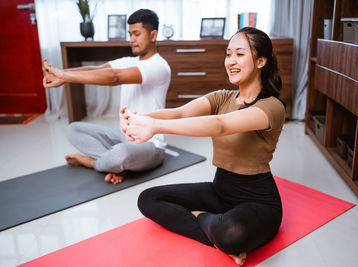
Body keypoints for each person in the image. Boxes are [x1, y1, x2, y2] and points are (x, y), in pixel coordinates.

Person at [120, 27, 285, 265]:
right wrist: (138, 118)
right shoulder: (222, 97)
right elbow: (179, 114)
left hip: (258, 201)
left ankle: (206, 221)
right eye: (228, 54)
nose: (231, 61)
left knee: (232, 232)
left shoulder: (271, 107)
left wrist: (154, 127)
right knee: (148, 199)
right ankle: (217, 233)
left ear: (260, 61)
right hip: (221, 190)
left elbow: (220, 125)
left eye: (240, 54)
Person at [42, 9, 171, 184]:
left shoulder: (159, 67)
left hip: (151, 146)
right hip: (123, 137)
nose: (131, 39)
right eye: (130, 34)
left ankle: (93, 162)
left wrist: (65, 77)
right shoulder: (128, 61)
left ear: (153, 35)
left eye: (137, 34)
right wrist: (61, 74)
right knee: (74, 129)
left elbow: (114, 77)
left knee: (121, 153)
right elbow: (97, 70)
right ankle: (116, 165)